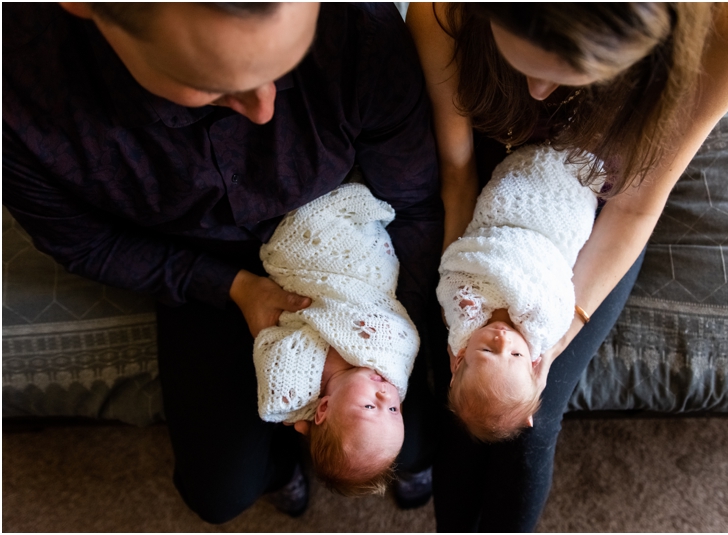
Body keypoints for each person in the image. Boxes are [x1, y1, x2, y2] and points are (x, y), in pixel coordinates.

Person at [3, 2, 443, 523]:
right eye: (215, 86)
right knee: (219, 494)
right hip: (199, 256)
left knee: (413, 445)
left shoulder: (355, 26)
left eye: (284, 68)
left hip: (338, 238)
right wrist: (231, 286)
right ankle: (282, 470)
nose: (264, 110)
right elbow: (85, 243)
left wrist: (390, 314)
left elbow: (412, 199)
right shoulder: (23, 95)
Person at [406, 2, 728, 531]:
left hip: (595, 200)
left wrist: (561, 329)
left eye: (564, 71)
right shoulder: (444, 10)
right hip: (494, 195)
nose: (537, 91)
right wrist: (459, 279)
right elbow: (459, 171)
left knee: (527, 427)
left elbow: (635, 203)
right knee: (460, 396)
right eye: (522, 62)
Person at [253, 183, 419, 496]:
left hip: (306, 265)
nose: (386, 394)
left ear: (323, 409)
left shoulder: (297, 385)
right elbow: (404, 335)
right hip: (361, 271)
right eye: (395, 411)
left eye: (370, 406)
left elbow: (269, 341)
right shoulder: (390, 363)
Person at [437, 144, 597, 442]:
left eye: (487, 351)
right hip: (550, 237)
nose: (502, 340)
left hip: (502, 220)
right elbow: (559, 295)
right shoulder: (542, 332)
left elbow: (453, 270)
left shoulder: (460, 320)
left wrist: (466, 306)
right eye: (515, 354)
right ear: (534, 363)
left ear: (458, 360)